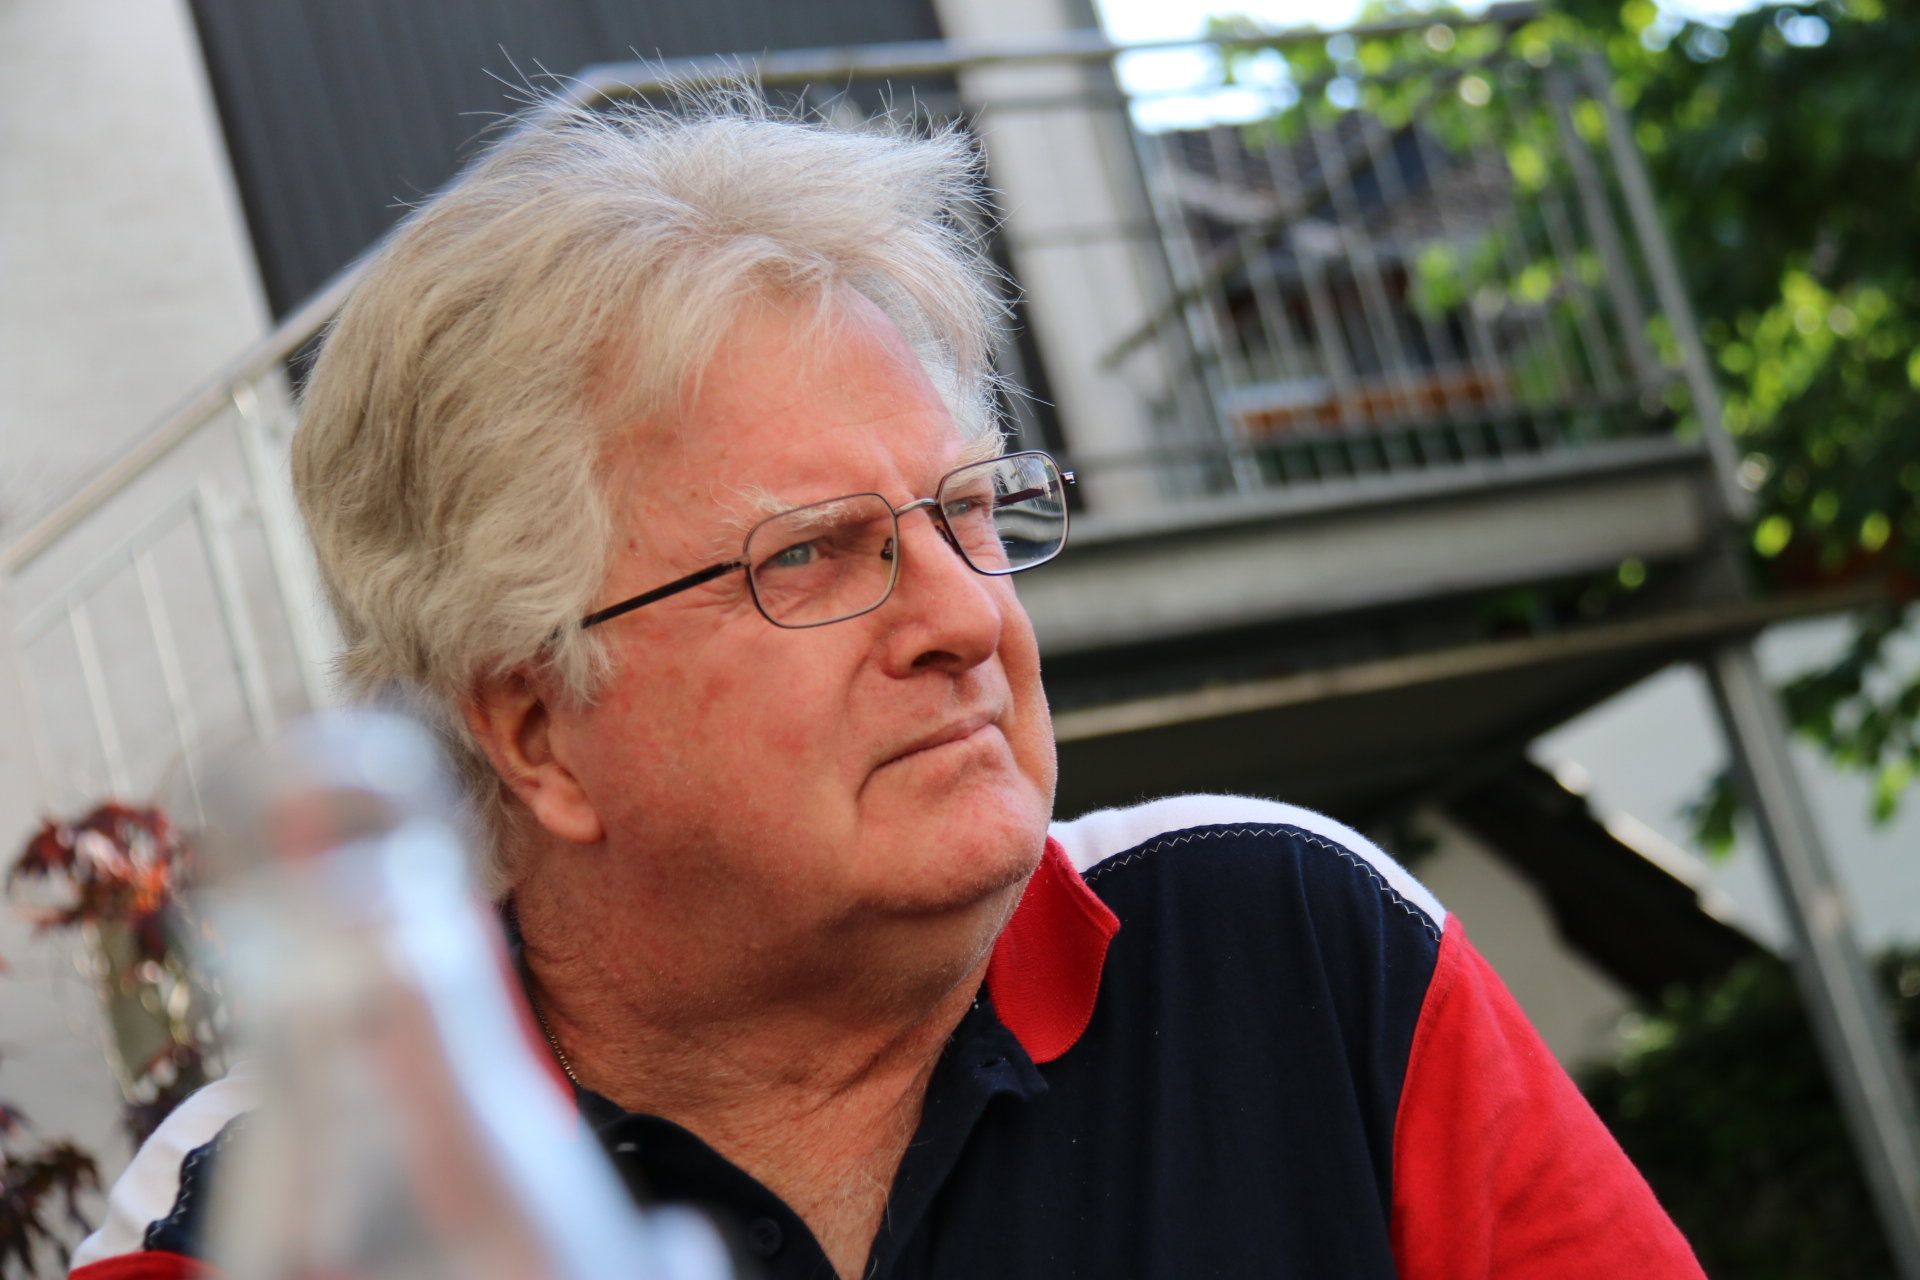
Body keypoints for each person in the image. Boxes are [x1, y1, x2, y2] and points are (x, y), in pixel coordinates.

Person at [71, 100, 1704, 1280]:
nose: (966, 616)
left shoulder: (1289, 944)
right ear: (533, 726)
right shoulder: (260, 1216)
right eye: (812, 554)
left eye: (971, 511)